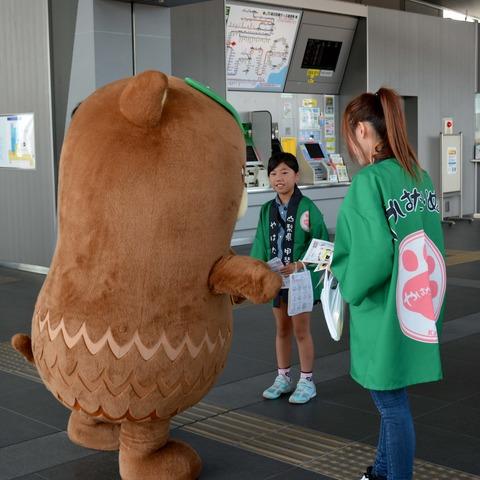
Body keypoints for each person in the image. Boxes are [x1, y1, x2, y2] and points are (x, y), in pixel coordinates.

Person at [331, 87, 446, 480]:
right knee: (394, 395)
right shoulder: (420, 176)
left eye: (350, 134)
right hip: (417, 304)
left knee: (390, 403)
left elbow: (369, 259)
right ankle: (380, 472)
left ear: (363, 130)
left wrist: (342, 280)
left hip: (383, 313)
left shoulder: (369, 182)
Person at [251, 152, 329, 404]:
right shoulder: (266, 210)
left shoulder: (307, 208)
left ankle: (306, 381)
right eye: (273, 174)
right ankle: (283, 377)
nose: (278, 178)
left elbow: (322, 244)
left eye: (284, 172)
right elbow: (261, 243)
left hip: (300, 279)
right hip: (277, 279)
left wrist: (299, 264)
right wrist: (258, 273)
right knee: (281, 329)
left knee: (301, 330)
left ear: (296, 175)